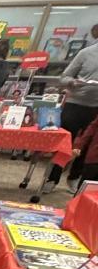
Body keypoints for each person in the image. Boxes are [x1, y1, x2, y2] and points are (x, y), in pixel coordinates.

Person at [43, 34, 98, 189]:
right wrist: (73, 82)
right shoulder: (86, 53)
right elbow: (64, 77)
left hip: (96, 108)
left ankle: (75, 177)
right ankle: (52, 178)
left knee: (88, 146)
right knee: (65, 142)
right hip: (75, 103)